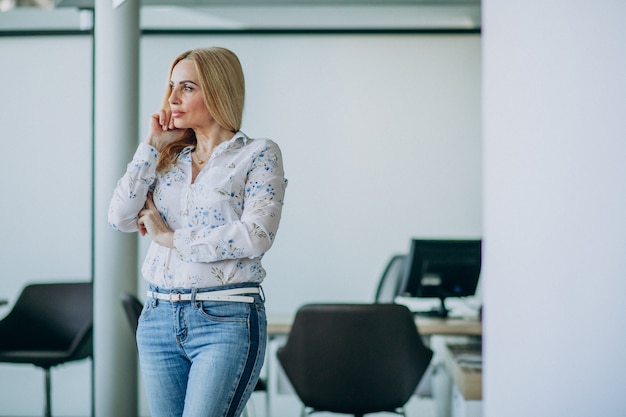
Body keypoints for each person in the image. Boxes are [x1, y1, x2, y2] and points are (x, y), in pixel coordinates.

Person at [108, 46, 287, 417]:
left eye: (186, 87)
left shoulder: (258, 154)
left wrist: (169, 238)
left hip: (227, 318)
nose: (172, 99)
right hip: (158, 317)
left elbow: (255, 235)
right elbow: (121, 216)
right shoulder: (167, 158)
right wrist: (151, 145)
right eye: (171, 87)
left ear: (219, 90)